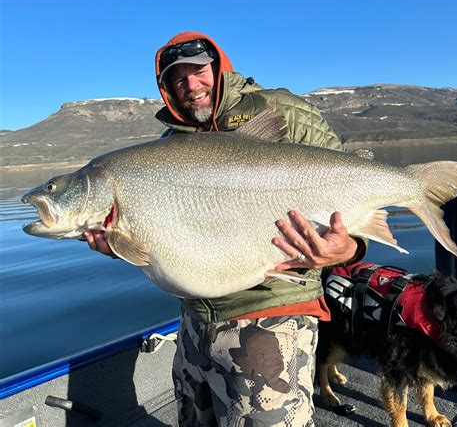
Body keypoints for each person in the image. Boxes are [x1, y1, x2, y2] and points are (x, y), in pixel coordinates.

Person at [85, 31, 367, 426]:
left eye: (198, 71)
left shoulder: (282, 110)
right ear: (166, 89)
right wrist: (120, 242)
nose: (191, 85)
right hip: (195, 325)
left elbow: (349, 187)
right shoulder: (168, 146)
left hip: (272, 318)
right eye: (177, 79)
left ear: (219, 68)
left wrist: (352, 248)